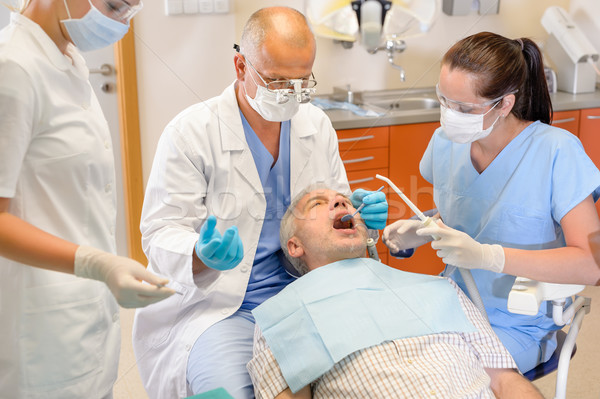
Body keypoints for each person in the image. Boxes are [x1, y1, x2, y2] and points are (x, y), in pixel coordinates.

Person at [131, 6, 388, 399]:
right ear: (240, 66)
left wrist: (359, 218)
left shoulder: (315, 125)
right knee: (234, 391)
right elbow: (160, 232)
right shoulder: (189, 134)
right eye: (278, 82)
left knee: (366, 382)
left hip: (307, 292)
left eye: (303, 82)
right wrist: (201, 254)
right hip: (223, 308)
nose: (292, 95)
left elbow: (336, 209)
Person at [382, 31, 600, 373]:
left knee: (442, 380)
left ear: (505, 104)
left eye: (464, 108)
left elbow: (592, 264)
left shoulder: (556, 151)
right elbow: (474, 211)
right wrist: (421, 230)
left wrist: (489, 257)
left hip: (519, 321)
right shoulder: (445, 142)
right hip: (452, 305)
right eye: (443, 100)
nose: (449, 114)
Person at [0, 0, 177, 397]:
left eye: (130, 11)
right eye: (114, 6)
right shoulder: (12, 68)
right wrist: (97, 264)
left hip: (85, 315)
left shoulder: (68, 58)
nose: (120, 23)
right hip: (37, 328)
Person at [247, 186, 543, 399]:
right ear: (295, 247)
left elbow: (506, 383)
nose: (340, 202)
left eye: (344, 201)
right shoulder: (284, 318)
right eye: (317, 204)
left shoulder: (440, 289)